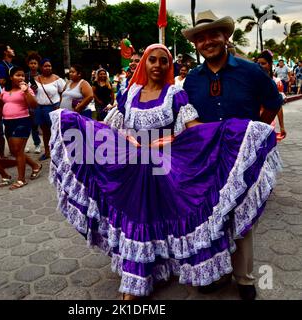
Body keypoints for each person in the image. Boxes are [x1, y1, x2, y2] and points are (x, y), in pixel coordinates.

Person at [48, 43, 281, 300]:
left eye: (163, 61)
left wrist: (167, 140)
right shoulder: (130, 94)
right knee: (136, 220)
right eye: (153, 60)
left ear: (169, 66)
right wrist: (127, 137)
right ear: (145, 64)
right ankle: (135, 281)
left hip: (163, 170)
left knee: (154, 219)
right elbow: (110, 127)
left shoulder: (175, 95)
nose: (158, 65)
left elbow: (194, 128)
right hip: (132, 170)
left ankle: (157, 271)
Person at [182, 10, 283, 300]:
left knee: (243, 218)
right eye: (201, 38)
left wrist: (257, 134)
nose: (208, 41)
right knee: (212, 217)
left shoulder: (250, 71)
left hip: (242, 160)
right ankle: (218, 273)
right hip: (207, 162)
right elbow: (186, 118)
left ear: (225, 37)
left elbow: (274, 102)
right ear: (196, 45)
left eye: (214, 34)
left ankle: (245, 280)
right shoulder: (192, 80)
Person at [0, 66, 42, 189]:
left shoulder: (26, 89)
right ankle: (35, 166)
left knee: (18, 150)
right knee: (14, 151)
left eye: (22, 75)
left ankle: (21, 179)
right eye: (18, 75)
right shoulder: (4, 89)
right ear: (11, 77)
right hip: (7, 122)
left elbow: (34, 105)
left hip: (22, 121)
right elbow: (1, 104)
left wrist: (26, 91)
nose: (21, 77)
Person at [34, 58, 66, 160]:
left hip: (53, 107)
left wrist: (59, 105)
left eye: (49, 66)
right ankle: (47, 151)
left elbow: (64, 93)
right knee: (45, 131)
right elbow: (32, 93)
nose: (48, 68)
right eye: (45, 66)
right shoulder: (36, 79)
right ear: (41, 67)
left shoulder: (57, 79)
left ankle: (58, 152)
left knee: (55, 131)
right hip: (39, 107)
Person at [257, 50, 286, 141]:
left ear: (270, 65)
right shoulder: (252, 81)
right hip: (252, 122)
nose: (260, 66)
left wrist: (282, 127)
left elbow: (278, 106)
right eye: (258, 63)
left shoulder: (276, 82)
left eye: (263, 63)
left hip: (267, 122)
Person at [24, 52, 42, 154]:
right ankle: (25, 144)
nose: (33, 65)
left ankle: (37, 144)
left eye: (35, 63)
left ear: (38, 64)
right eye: (31, 63)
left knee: (35, 125)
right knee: (26, 125)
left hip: (38, 103)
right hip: (26, 104)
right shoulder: (25, 76)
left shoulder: (41, 76)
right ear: (28, 64)